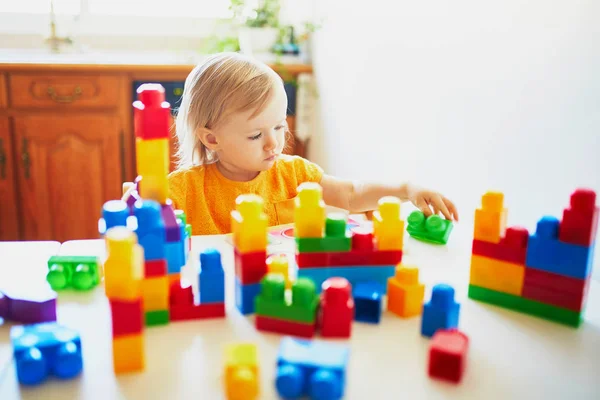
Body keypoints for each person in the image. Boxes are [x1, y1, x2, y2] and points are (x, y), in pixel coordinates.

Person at [168, 52, 458, 235]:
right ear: (212, 138)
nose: (274, 144)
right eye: (256, 135)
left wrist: (406, 189)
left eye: (280, 126)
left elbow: (351, 195)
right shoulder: (183, 190)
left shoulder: (295, 175)